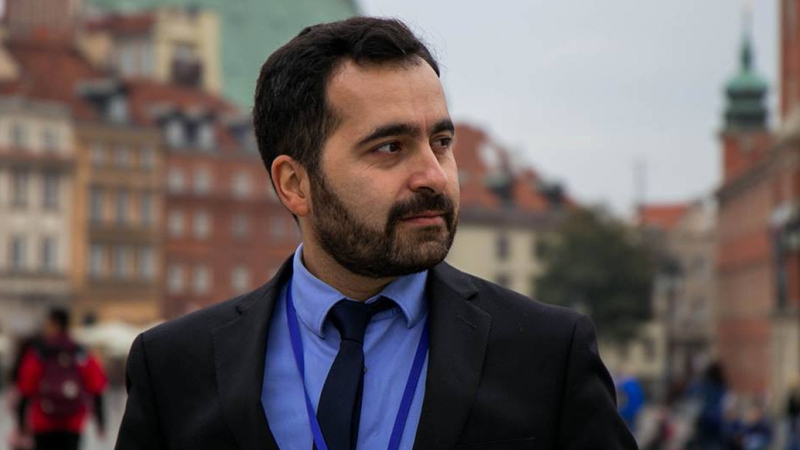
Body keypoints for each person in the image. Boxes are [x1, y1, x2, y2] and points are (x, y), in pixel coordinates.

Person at [115, 17, 636, 450]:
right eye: (390, 147)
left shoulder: (546, 355)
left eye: (441, 142)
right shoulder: (174, 368)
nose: (433, 176)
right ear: (295, 184)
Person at [16, 308, 107, 450]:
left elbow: (25, 387)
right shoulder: (80, 352)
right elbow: (97, 386)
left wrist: (21, 423)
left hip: (43, 420)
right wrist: (101, 422)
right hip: (73, 420)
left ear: (54, 324)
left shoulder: (39, 353)